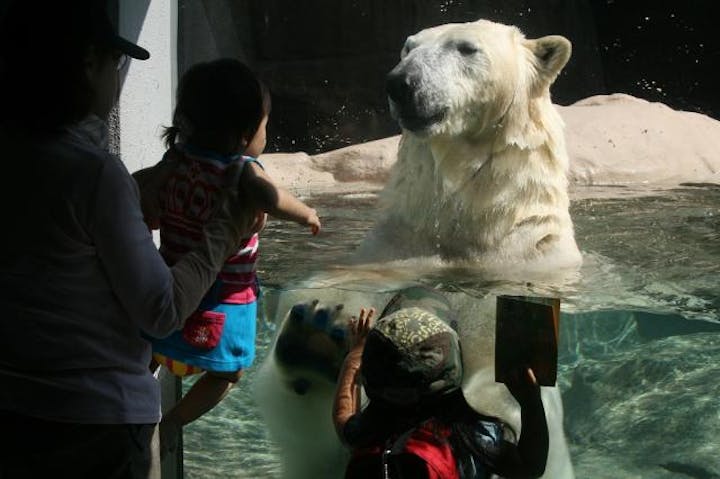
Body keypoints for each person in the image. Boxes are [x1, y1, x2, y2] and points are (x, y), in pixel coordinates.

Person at [0, 2, 256, 478]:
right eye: (114, 65)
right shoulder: (95, 174)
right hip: (95, 427)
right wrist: (226, 230)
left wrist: (135, 196)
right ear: (87, 64)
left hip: (14, 412)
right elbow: (160, 311)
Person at [132, 58, 322, 454]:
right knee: (228, 372)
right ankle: (173, 423)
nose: (266, 135)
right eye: (265, 125)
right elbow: (269, 197)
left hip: (170, 288)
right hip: (223, 300)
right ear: (243, 134)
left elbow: (140, 187)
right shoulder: (241, 171)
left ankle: (132, 399)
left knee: (149, 349)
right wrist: (305, 213)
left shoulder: (177, 163)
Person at [332, 294, 549, 479]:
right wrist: (530, 401)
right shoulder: (470, 437)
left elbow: (343, 415)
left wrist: (355, 354)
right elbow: (530, 466)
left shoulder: (365, 433)